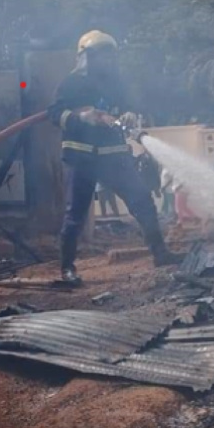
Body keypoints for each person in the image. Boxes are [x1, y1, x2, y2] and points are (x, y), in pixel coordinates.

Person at [48, 30, 180, 284]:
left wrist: (130, 114)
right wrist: (81, 118)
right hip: (81, 157)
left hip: (114, 157)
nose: (108, 60)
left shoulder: (116, 83)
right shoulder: (70, 84)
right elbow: (54, 114)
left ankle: (160, 253)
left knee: (142, 200)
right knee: (75, 214)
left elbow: (129, 105)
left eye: (110, 55)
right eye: (102, 55)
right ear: (86, 56)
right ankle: (67, 269)